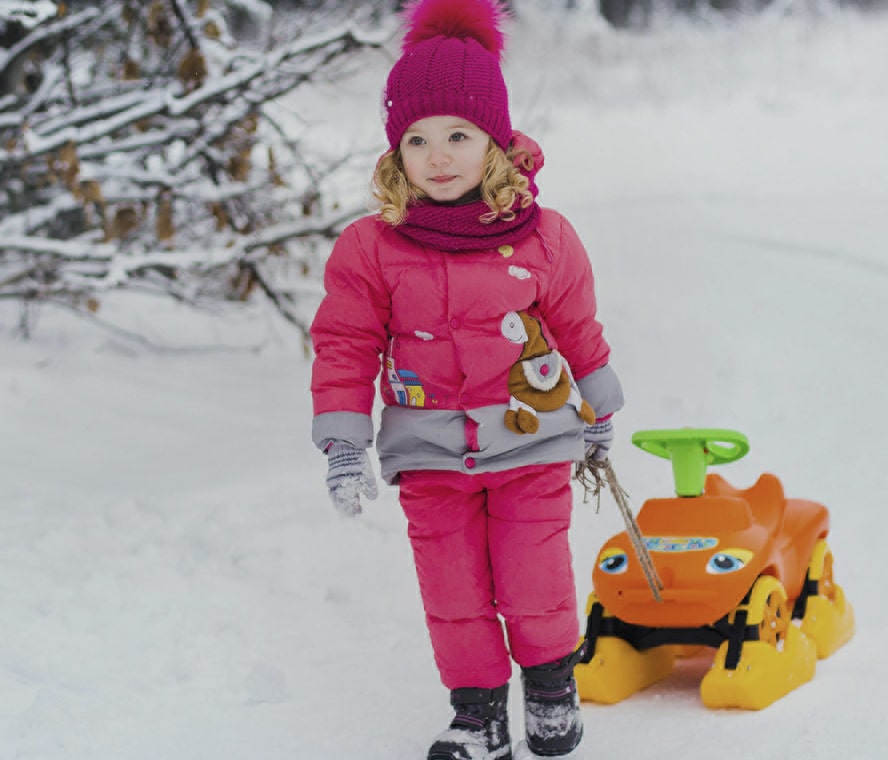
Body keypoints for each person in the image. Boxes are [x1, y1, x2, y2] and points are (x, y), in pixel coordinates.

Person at [307, 1, 624, 757]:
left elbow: (578, 326)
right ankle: (478, 717)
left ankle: (551, 687)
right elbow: (345, 343)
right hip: (429, 454)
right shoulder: (372, 246)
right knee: (452, 591)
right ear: (396, 151)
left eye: (459, 135)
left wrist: (599, 406)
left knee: (533, 577)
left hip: (531, 440)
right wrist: (345, 441)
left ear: (495, 142)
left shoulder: (546, 237)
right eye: (417, 139)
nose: (438, 156)